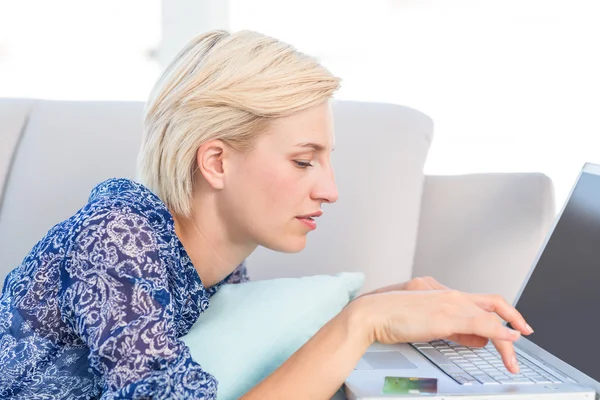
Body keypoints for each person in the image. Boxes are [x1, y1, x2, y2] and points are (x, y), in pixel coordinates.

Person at [0, 30, 533, 400]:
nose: (330, 190)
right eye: (304, 161)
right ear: (216, 161)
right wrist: (362, 323)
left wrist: (388, 306)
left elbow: (243, 347)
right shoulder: (118, 237)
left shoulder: (211, 262)